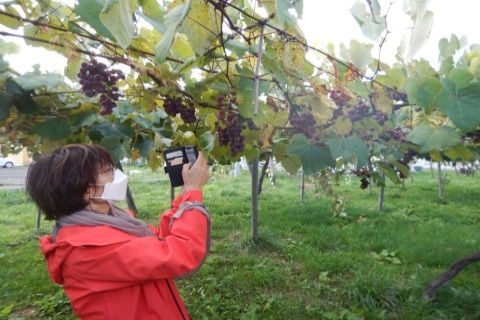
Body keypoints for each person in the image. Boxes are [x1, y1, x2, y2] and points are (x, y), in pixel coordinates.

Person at [26, 144, 210, 320]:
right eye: (107, 171)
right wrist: (193, 194)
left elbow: (158, 240)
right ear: (85, 190)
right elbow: (182, 254)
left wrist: (185, 195)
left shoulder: (112, 222)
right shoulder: (88, 249)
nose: (117, 175)